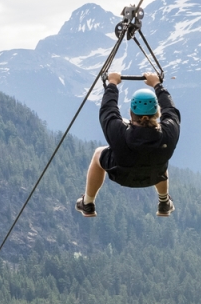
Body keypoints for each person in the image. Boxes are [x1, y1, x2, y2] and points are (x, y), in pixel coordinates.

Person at [77, 71, 180, 217]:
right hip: (154, 175)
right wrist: (157, 85)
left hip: (121, 174)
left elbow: (108, 111)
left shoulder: (119, 133)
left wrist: (112, 83)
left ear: (131, 112)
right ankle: (164, 202)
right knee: (159, 156)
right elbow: (171, 111)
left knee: (98, 154)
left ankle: (87, 203)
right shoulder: (169, 132)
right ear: (157, 113)